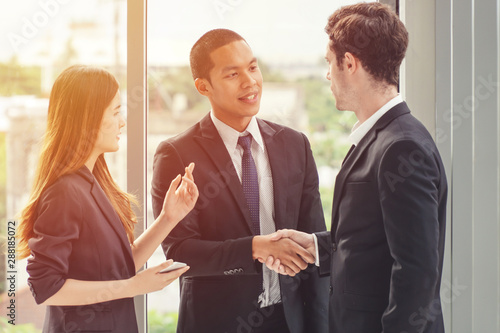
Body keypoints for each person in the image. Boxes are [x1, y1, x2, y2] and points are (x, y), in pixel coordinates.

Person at [265, 3, 448, 333]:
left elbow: (417, 272)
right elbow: (378, 240)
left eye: (328, 63)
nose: (327, 75)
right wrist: (317, 246)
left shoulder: (401, 147)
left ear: (349, 63)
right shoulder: (381, 137)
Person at [151, 29, 328, 333]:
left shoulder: (295, 145)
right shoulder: (177, 154)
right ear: (203, 86)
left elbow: (313, 242)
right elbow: (179, 251)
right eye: (232, 74)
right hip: (217, 323)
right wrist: (253, 248)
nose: (250, 82)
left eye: (253, 67)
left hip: (291, 321)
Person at [17, 65, 199, 333]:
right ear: (86, 118)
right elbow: (46, 288)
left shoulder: (93, 183)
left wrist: (169, 218)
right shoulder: (65, 192)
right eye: (115, 112)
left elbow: (120, 268)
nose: (123, 122)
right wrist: (134, 286)